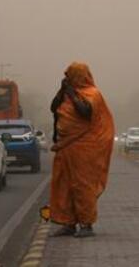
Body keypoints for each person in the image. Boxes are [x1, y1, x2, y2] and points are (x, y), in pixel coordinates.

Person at [49, 62, 115, 238]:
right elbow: (53, 107)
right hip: (65, 147)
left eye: (70, 76)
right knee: (64, 185)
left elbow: (85, 112)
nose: (68, 79)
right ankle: (68, 223)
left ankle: (86, 225)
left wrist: (71, 91)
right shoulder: (65, 95)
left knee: (82, 186)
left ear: (79, 76)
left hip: (84, 147)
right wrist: (63, 90)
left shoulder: (93, 94)